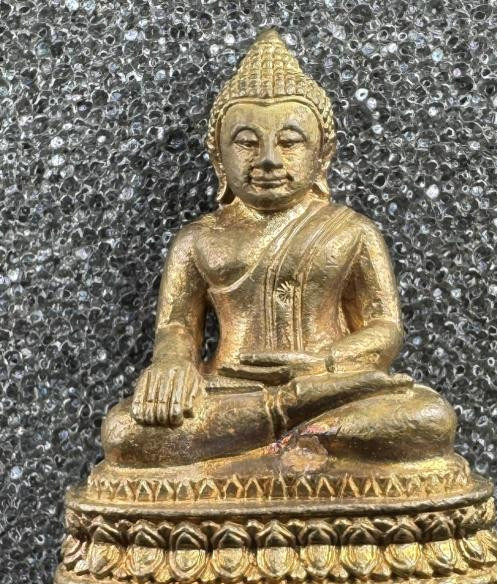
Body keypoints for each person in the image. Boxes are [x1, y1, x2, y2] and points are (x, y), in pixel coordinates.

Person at [101, 30, 456, 469]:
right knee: (123, 432)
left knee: (428, 419)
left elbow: (385, 327)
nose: (268, 158)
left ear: (322, 155)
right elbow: (176, 326)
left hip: (328, 387)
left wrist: (324, 362)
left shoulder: (352, 231)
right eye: (247, 142)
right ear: (218, 157)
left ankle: (278, 433)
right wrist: (172, 365)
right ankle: (299, 434)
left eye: (289, 142)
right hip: (229, 390)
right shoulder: (198, 238)